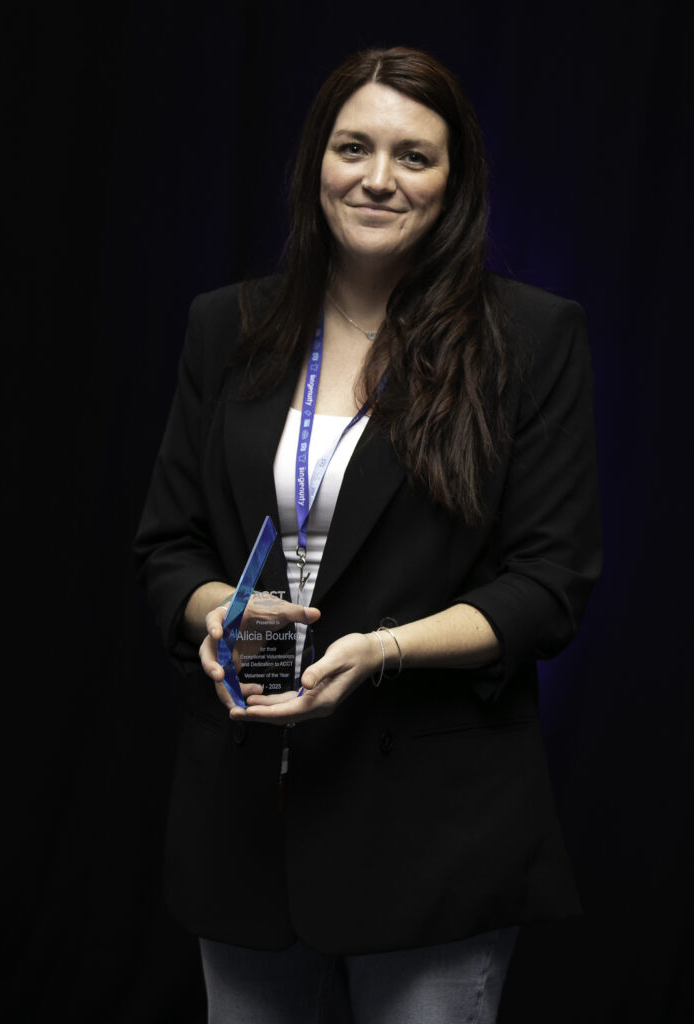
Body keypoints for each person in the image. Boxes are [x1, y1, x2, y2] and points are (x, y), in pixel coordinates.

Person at [134, 45, 602, 1024]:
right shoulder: (227, 326)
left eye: (414, 156)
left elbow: (548, 586)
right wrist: (220, 609)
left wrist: (382, 650)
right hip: (243, 828)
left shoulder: (529, 338)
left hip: (433, 834)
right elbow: (168, 543)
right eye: (354, 147)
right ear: (318, 161)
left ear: (456, 179)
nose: (378, 179)